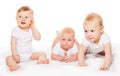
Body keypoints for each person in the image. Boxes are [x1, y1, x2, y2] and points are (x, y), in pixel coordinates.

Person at [6, 6, 49, 71]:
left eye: (26, 17)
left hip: (29, 55)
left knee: (43, 53)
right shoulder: (15, 30)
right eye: (20, 17)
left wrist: (33, 26)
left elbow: (38, 38)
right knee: (8, 58)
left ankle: (41, 60)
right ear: (16, 18)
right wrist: (15, 55)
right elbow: (13, 43)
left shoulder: (31, 29)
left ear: (31, 20)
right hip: (19, 56)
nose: (23, 19)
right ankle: (14, 65)